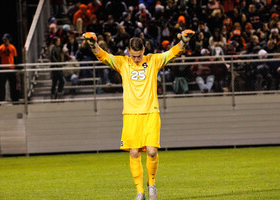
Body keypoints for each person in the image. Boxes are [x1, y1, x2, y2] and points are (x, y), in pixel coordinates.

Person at [82, 29, 195, 200]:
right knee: (134, 153)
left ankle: (152, 185)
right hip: (130, 114)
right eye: (134, 56)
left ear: (144, 51)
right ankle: (139, 192)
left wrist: (184, 41)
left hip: (151, 112)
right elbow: (103, 56)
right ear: (129, 51)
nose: (136, 59)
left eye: (139, 55)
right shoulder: (122, 63)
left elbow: (173, 52)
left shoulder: (153, 61)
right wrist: (93, 44)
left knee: (151, 151)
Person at [0, 33, 20, 102]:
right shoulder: (0, 48)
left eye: (6, 39)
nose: (5, 41)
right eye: (4, 40)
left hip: (11, 69)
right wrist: (0, 69)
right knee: (1, 86)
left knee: (13, 85)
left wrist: (16, 68)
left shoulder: (12, 48)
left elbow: (15, 58)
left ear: (9, 40)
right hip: (3, 70)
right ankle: (1, 98)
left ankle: (14, 98)